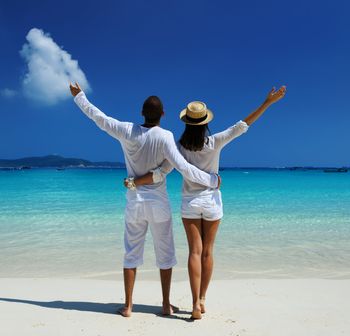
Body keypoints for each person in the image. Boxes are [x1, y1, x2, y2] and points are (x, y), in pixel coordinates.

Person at [127, 86, 286, 319]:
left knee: (194, 252)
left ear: (186, 122)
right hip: (211, 202)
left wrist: (135, 182)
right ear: (205, 122)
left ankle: (193, 304)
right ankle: (202, 300)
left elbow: (161, 173)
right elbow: (243, 126)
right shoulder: (216, 142)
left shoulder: (178, 147)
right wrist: (267, 103)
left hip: (190, 203)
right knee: (208, 253)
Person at [69, 82, 220, 317]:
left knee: (131, 252)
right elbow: (183, 167)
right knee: (166, 254)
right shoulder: (166, 137)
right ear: (163, 114)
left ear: (141, 113)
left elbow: (98, 117)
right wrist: (212, 181)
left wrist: (79, 97)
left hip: (135, 203)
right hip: (159, 203)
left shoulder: (126, 131)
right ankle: (166, 304)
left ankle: (128, 306)